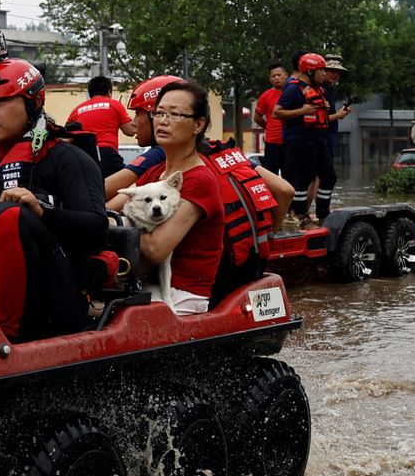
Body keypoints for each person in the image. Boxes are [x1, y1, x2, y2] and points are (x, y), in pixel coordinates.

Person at [0, 58, 108, 342]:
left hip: (56, 299)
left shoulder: (68, 158)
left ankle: (7, 334)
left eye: (1, 103)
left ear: (33, 104)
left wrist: (43, 211)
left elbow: (96, 229)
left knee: (10, 215)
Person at [129, 83, 277, 311]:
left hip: (182, 294)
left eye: (175, 114)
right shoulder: (154, 173)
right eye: (159, 113)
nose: (163, 121)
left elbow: (156, 249)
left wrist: (115, 225)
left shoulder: (199, 179)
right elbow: (107, 206)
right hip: (152, 286)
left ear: (199, 125)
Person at [274, 52, 337, 228]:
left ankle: (323, 214)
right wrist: (302, 111)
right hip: (300, 141)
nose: (324, 74)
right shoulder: (293, 89)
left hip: (318, 139)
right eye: (321, 71)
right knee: (302, 180)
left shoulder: (318, 88)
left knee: (329, 176)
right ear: (310, 71)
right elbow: (277, 112)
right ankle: (299, 216)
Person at [68, 75, 130, 177]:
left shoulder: (76, 110)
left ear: (90, 93)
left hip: (83, 157)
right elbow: (130, 131)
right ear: (109, 92)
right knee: (130, 182)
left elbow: (67, 134)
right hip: (107, 155)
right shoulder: (114, 104)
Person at [253, 62, 289, 174]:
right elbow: (257, 117)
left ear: (286, 75)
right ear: (270, 79)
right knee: (271, 176)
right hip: (272, 142)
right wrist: (268, 126)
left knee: (290, 176)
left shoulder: (293, 92)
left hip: (289, 141)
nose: (276, 78)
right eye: (273, 76)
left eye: (279, 75)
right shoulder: (266, 95)